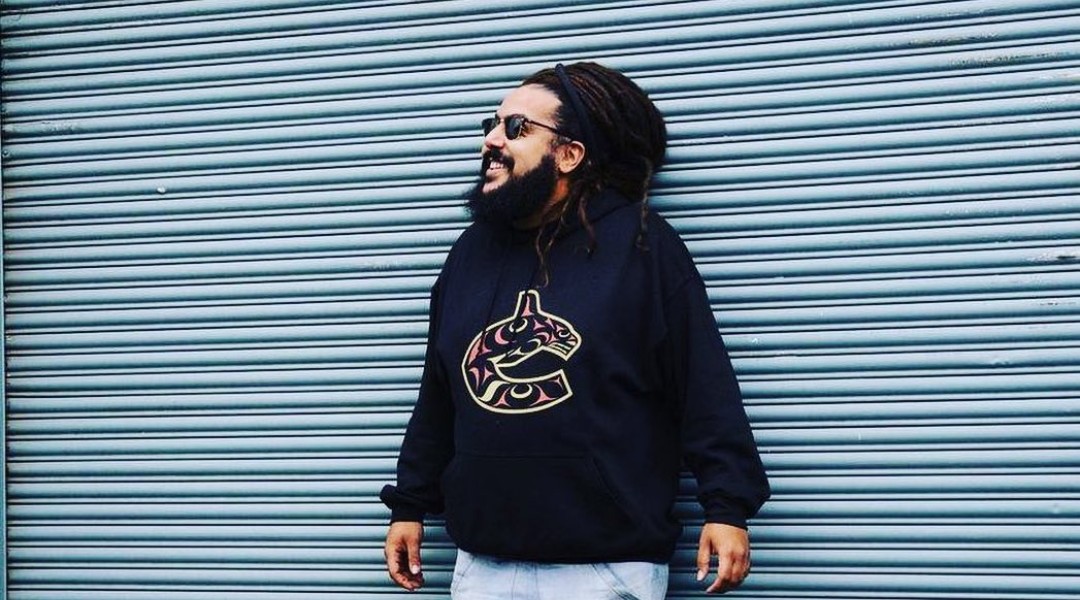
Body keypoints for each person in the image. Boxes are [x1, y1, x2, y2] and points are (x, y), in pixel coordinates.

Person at [381, 62, 770, 599]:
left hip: (604, 568)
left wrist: (727, 507)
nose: (490, 141)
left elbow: (703, 387)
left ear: (569, 154)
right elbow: (439, 393)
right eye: (491, 125)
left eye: (516, 128)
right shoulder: (470, 254)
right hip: (484, 564)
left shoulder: (643, 247)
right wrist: (409, 503)